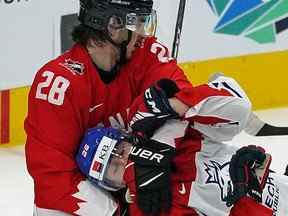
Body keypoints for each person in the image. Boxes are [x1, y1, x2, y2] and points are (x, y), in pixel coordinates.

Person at [24, 0, 195, 215]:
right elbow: (53, 177)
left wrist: (156, 155)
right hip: (78, 201)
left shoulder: (147, 54)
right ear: (113, 25)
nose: (143, 34)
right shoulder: (58, 84)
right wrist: (118, 212)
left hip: (132, 182)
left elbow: (186, 102)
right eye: (138, 23)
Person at [76, 75, 288, 216]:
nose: (123, 160)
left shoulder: (177, 135)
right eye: (114, 168)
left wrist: (178, 104)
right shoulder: (155, 210)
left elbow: (238, 107)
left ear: (129, 138)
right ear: (116, 186)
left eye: (120, 150)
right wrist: (248, 197)